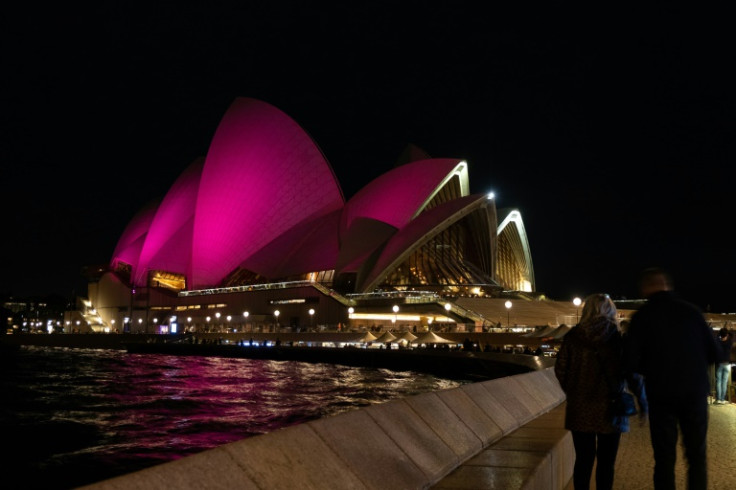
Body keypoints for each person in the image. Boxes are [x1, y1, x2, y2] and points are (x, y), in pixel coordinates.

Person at [624, 267, 718, 490]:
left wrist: (648, 373)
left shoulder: (641, 318)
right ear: (668, 285)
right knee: (696, 456)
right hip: (694, 394)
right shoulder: (692, 312)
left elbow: (628, 362)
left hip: (660, 395)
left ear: (646, 288)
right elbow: (715, 353)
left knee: (664, 458)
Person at [555, 293, 647, 490]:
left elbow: (561, 369)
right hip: (610, 408)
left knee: (583, 461)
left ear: (587, 310)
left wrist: (574, 391)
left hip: (580, 409)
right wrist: (642, 399)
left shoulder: (573, 337)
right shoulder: (617, 338)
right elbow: (632, 372)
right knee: (606, 464)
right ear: (611, 311)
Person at [714, 326, 733, 404]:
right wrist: (728, 332)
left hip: (719, 363)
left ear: (721, 335)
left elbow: (716, 337)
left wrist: (720, 334)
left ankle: (718, 399)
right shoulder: (729, 342)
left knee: (718, 381)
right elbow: (731, 335)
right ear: (727, 335)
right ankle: (722, 400)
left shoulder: (718, 341)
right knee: (724, 382)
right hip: (727, 364)